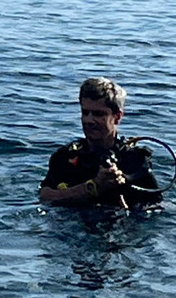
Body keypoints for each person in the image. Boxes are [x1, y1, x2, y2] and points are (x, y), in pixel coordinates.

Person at [39, 77, 160, 208]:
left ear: (117, 117)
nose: (89, 120)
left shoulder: (135, 160)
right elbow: (45, 196)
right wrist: (93, 187)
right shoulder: (66, 157)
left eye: (98, 114)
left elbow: (157, 205)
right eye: (85, 112)